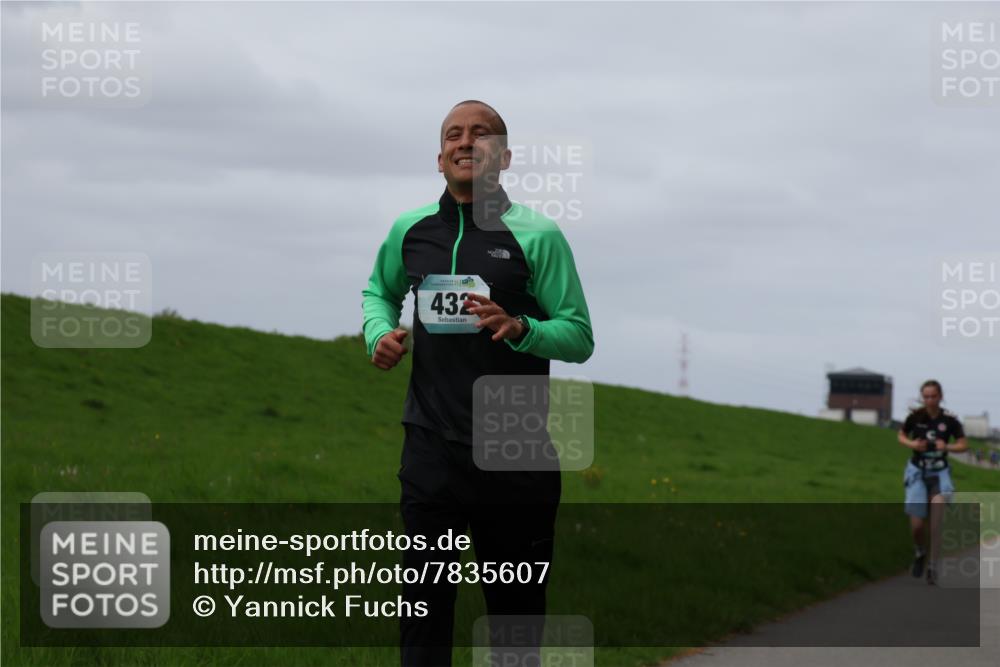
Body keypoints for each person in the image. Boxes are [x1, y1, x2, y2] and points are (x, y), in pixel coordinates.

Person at [361, 100, 594, 666]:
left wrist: (520, 328)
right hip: (432, 452)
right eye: (453, 135)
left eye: (481, 133)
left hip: (515, 457)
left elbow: (579, 336)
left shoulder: (538, 235)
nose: (466, 142)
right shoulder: (409, 231)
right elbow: (379, 292)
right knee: (423, 615)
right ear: (440, 158)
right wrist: (379, 335)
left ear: (505, 157)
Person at [897, 379, 968, 585]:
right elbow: (901, 435)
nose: (929, 400)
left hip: (939, 474)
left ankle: (933, 565)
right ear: (922, 397)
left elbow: (963, 445)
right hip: (918, 472)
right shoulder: (915, 417)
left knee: (936, 524)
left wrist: (946, 447)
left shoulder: (950, 420)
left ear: (940, 396)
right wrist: (912, 443)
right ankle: (920, 552)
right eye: (926, 396)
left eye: (933, 396)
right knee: (918, 525)